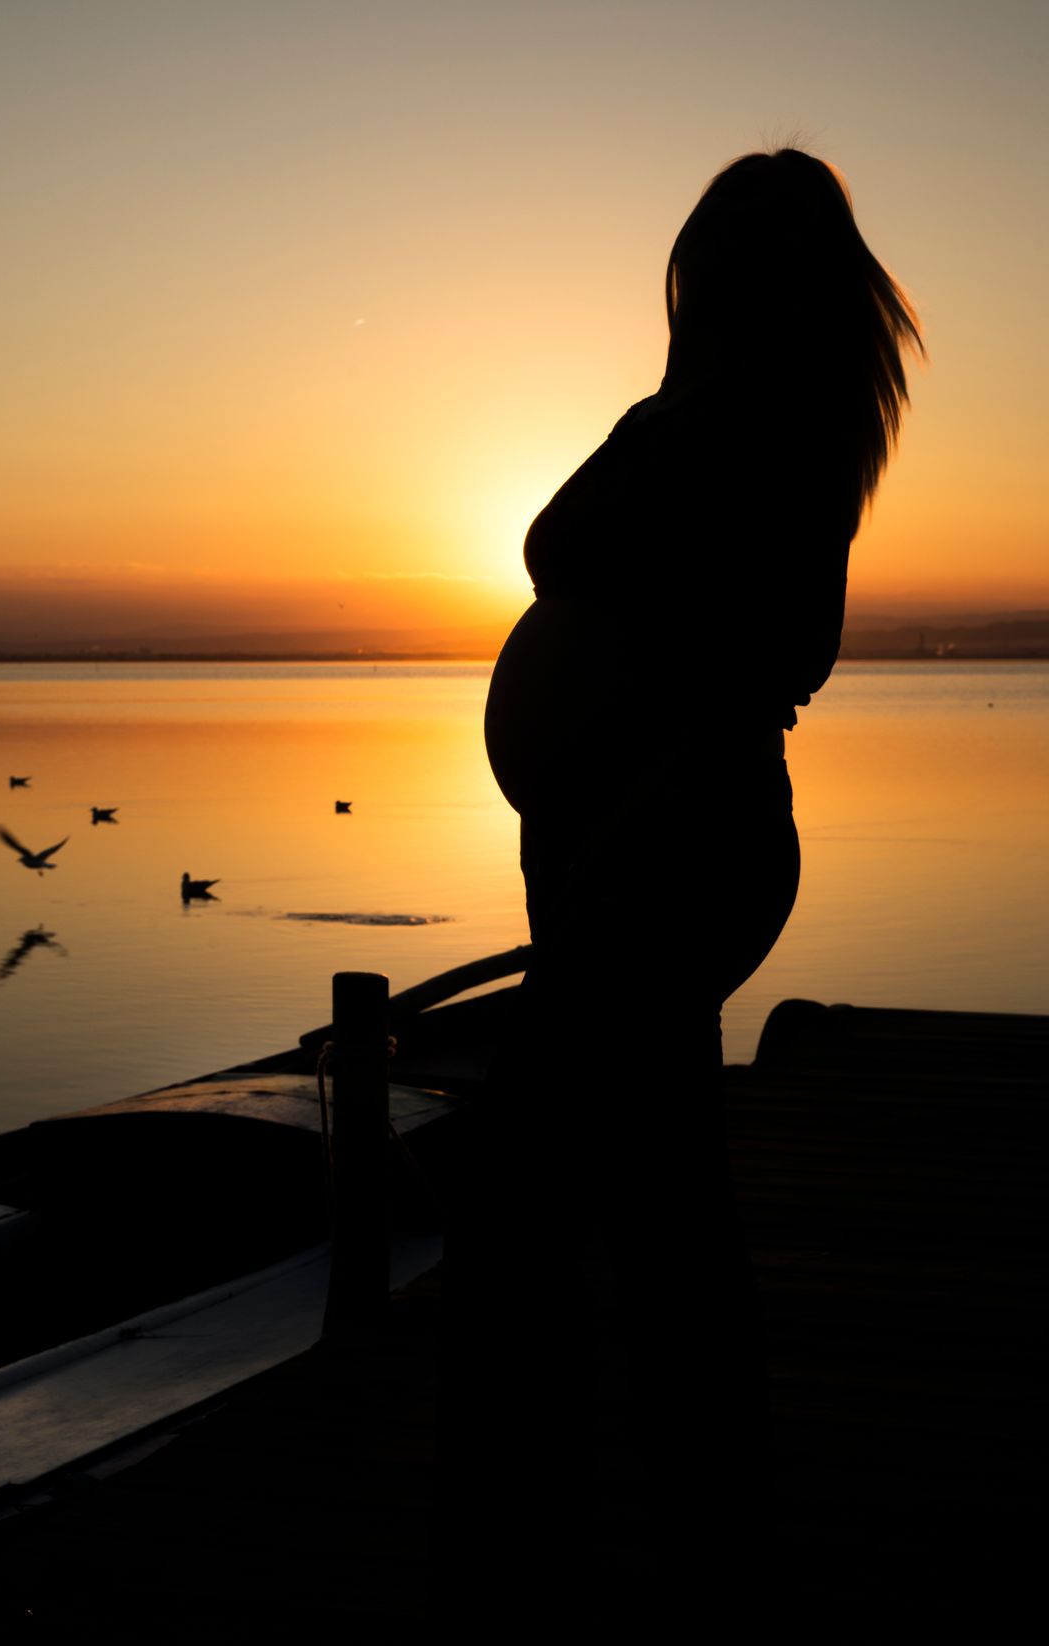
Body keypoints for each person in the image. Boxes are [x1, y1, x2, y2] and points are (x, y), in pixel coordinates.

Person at [460, 148, 923, 1617]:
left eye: (697, 278)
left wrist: (620, 787)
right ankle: (693, 1540)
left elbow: (601, 567)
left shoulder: (732, 430)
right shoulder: (767, 426)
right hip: (660, 838)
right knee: (657, 1195)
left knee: (556, 1198)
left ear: (716, 283)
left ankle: (559, 1547)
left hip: (664, 840)